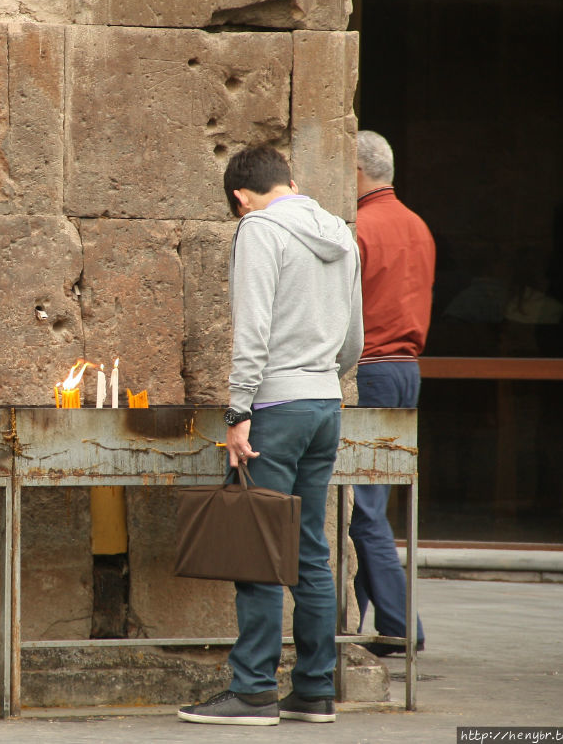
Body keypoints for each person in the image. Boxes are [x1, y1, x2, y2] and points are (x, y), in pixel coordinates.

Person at [178, 145, 362, 726]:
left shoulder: (258, 228)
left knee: (257, 541)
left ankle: (253, 689)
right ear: (290, 179)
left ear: (240, 196)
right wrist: (327, 379)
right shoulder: (339, 230)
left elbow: (251, 326)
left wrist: (237, 411)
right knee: (309, 547)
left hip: (276, 406)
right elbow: (355, 335)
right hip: (324, 403)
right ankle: (313, 689)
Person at [350, 130, 433, 657]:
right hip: (407, 368)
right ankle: (385, 620)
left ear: (354, 173)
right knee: (374, 501)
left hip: (372, 369)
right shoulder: (417, 225)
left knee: (363, 508)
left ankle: (401, 625)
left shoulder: (359, 226)